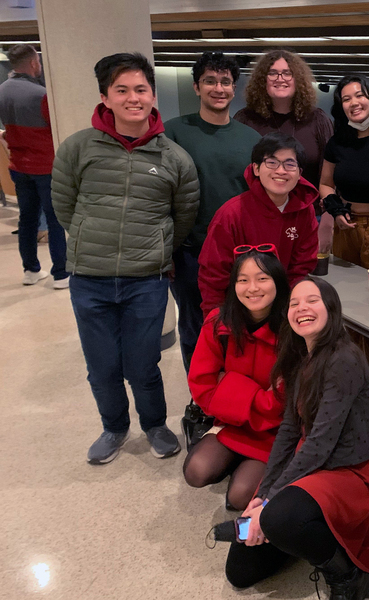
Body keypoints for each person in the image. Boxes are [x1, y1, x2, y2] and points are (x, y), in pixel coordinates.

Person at [51, 52, 200, 464]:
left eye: (141, 89)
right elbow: (64, 206)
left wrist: (153, 248)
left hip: (146, 279)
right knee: (101, 366)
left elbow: (183, 215)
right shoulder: (78, 148)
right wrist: (89, 239)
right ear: (105, 96)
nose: (133, 98)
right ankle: (114, 427)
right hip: (90, 278)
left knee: (142, 363)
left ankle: (154, 423)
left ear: (153, 96)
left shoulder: (174, 158)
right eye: (122, 90)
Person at [226, 277, 369, 600]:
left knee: (278, 517)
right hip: (311, 460)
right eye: (294, 303)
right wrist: (263, 494)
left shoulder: (344, 359)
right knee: (240, 570)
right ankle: (297, 529)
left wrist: (270, 503)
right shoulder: (300, 356)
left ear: (331, 309)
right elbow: (287, 432)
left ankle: (349, 575)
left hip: (347, 470)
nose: (301, 308)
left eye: (312, 300)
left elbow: (321, 443)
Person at [164, 51, 261, 373]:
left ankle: (237, 388)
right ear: (196, 87)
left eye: (225, 82)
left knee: (243, 327)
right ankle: (201, 395)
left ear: (234, 88)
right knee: (196, 329)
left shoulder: (250, 139)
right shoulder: (173, 133)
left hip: (241, 254)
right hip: (190, 251)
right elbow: (160, 195)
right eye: (209, 81)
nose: (218, 88)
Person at [184, 246, 289, 511]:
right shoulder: (218, 323)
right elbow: (202, 387)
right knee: (196, 472)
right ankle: (238, 463)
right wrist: (260, 395)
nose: (252, 287)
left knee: (240, 498)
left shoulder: (293, 329)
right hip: (230, 423)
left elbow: (286, 400)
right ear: (234, 285)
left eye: (262, 278)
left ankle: (253, 467)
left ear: (278, 282)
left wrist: (228, 383)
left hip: (274, 430)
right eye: (243, 280)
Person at [320, 74, 369, 395]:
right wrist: (335, 207)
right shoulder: (338, 142)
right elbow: (325, 184)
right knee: (347, 302)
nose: (354, 102)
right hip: (345, 228)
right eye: (346, 98)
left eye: (359, 95)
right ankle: (349, 364)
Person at [198, 132, 318, 315]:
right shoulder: (231, 214)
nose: (281, 171)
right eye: (271, 162)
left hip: (283, 305)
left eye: (290, 164)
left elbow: (301, 268)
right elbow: (213, 277)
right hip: (239, 308)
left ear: (300, 173)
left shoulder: (305, 210)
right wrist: (216, 320)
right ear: (256, 168)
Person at [234, 50, 334, 252]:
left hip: (308, 217)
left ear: (298, 79)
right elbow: (237, 174)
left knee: (303, 278)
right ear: (263, 80)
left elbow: (332, 176)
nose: (280, 79)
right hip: (256, 218)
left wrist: (329, 218)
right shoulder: (244, 120)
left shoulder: (318, 120)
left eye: (287, 73)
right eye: (273, 73)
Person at [0, 44, 68, 288]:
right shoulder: (40, 95)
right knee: (55, 219)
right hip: (46, 167)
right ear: (32, 63)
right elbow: (55, 129)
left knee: (26, 219)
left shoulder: (2, 91)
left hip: (18, 166)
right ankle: (61, 273)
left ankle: (30, 270)